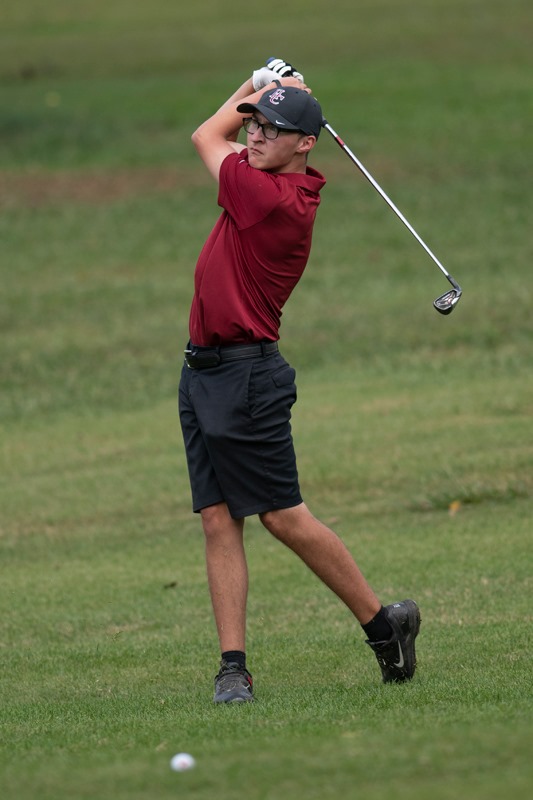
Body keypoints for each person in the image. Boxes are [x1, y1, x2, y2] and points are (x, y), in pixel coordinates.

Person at [178, 58, 420, 703]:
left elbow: (207, 136)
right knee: (218, 517)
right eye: (254, 125)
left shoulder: (271, 199)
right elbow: (227, 137)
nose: (254, 135)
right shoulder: (267, 175)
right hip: (203, 370)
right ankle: (233, 667)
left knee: (282, 517)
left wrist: (255, 85)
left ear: (305, 144)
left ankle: (382, 623)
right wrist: (265, 96)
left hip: (246, 375)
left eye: (272, 129)